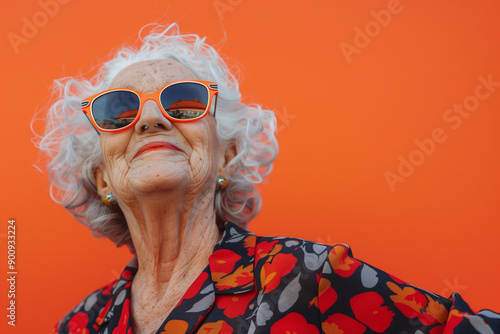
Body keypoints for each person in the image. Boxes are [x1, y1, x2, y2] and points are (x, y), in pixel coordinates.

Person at [37, 23, 499, 334]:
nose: (152, 118)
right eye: (119, 111)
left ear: (227, 156)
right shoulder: (83, 323)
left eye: (184, 104)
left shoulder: (305, 276)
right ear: (102, 179)